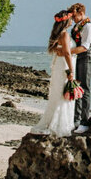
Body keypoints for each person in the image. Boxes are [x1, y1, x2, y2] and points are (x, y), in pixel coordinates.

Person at [29, 8, 77, 136]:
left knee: (58, 93)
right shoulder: (65, 35)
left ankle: (54, 122)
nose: (72, 20)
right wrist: (71, 70)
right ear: (66, 21)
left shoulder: (58, 35)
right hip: (64, 65)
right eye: (70, 18)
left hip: (58, 64)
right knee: (63, 93)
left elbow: (58, 49)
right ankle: (60, 126)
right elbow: (67, 52)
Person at [69, 3, 91, 134]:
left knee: (84, 89)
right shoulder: (76, 27)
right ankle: (76, 119)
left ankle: (84, 122)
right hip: (77, 58)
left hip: (86, 58)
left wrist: (67, 52)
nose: (72, 18)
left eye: (74, 15)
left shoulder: (89, 27)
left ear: (81, 13)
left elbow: (85, 46)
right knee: (77, 88)